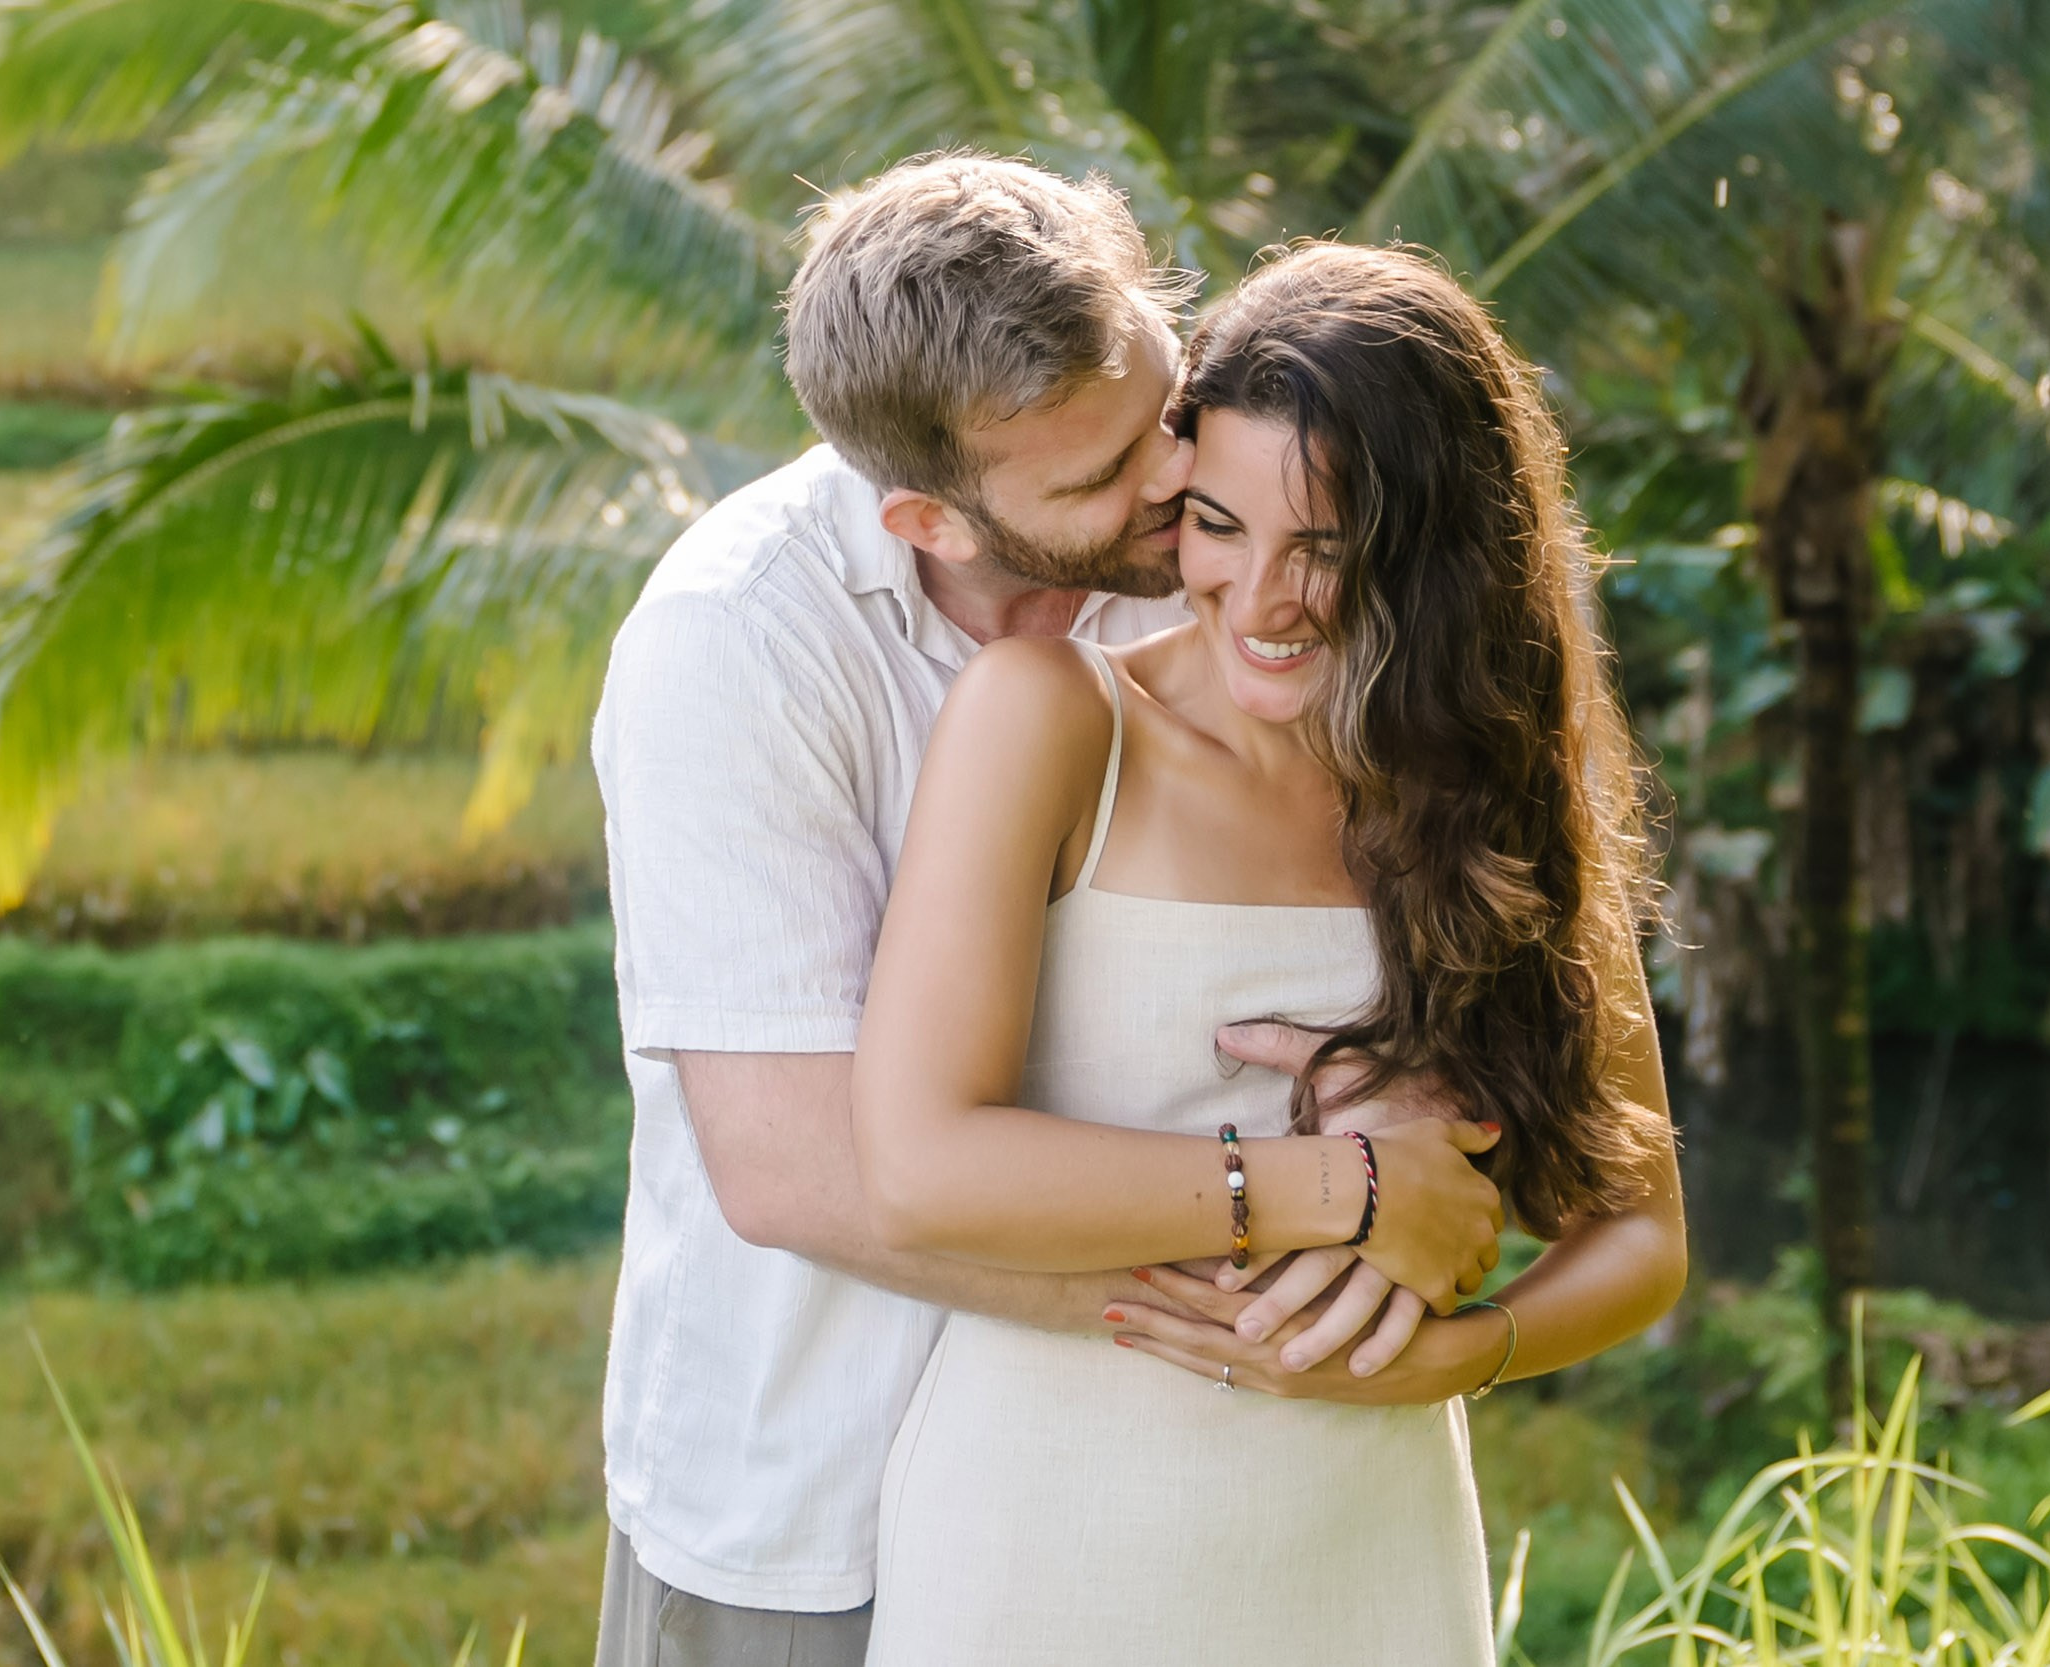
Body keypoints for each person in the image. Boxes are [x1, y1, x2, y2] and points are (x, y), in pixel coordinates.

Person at [589, 156, 1510, 1667]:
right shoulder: (732, 648)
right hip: (814, 1499)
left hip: (1164, 1497)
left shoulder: (1219, 557)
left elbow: (1398, 878)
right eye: (1094, 479)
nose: (1168, 482)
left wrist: (1409, 1085)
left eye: (1159, 409)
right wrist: (1315, 1225)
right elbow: (795, 1171)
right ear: (928, 520)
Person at [850, 242, 1689, 1665]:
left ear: (1435, 549)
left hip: (1371, 1541)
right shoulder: (1053, 718)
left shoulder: (1493, 787)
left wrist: (1457, 1356)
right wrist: (1342, 1187)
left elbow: (1643, 1235)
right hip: (1050, 1541)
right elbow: (920, 1169)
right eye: (1219, 526)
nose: (1261, 595)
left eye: (1328, 544)